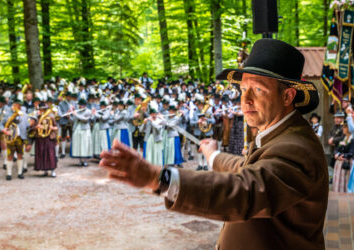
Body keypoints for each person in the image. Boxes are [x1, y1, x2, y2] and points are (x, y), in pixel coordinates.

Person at [99, 39, 328, 250]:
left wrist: (158, 178)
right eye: (242, 89)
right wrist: (214, 156)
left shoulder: (296, 148)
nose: (245, 100)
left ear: (288, 97)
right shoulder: (283, 134)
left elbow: (246, 190)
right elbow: (249, 167)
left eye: (258, 89)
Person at [332, 122, 354, 192]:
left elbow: (351, 153)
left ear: (349, 129)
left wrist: (342, 156)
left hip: (347, 163)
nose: (343, 129)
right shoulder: (343, 138)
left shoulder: (352, 140)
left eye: (344, 127)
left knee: (346, 180)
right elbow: (336, 149)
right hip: (339, 162)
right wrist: (336, 155)